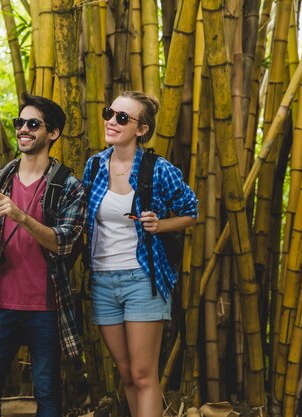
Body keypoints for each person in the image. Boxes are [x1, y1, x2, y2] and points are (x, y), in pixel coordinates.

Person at [82, 91, 198, 417]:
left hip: (142, 279)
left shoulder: (158, 169)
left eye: (122, 118)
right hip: (103, 282)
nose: (111, 122)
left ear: (142, 129)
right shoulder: (94, 166)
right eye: (109, 113)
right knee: (126, 374)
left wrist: (160, 225)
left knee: (144, 375)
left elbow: (192, 212)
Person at [0, 92, 85, 417]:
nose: (23, 129)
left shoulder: (68, 186)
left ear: (53, 133)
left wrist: (21, 216)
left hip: (45, 307)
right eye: (20, 122)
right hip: (0, 304)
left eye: (33, 124)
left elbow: (63, 242)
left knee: (48, 396)